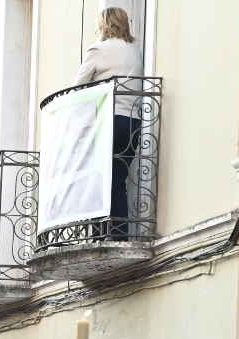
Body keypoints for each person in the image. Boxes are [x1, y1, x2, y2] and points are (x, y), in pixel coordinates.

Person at [72, 7, 144, 238]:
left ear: (104, 25)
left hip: (108, 121)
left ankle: (100, 234)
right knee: (119, 178)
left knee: (99, 179)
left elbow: (78, 86)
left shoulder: (98, 50)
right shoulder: (134, 51)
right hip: (132, 122)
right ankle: (118, 233)